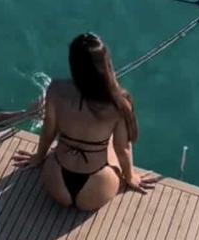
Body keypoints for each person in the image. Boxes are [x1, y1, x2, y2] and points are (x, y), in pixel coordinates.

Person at [13, 32, 156, 211]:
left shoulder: (56, 89)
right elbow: (122, 148)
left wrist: (38, 157)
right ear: (105, 63)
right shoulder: (118, 101)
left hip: (56, 181)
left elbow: (49, 130)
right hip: (96, 188)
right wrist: (130, 176)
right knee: (110, 139)